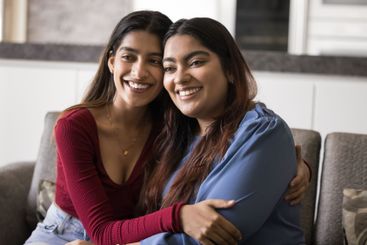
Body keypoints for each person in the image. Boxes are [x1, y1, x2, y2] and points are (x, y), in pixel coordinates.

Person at [26, 11, 309, 245]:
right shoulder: (175, 129)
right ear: (111, 61)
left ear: (231, 69)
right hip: (65, 233)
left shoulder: (177, 126)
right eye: (171, 67)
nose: (139, 72)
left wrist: (293, 165)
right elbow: (103, 230)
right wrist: (179, 215)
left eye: (156, 61)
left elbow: (215, 228)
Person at [137, 17, 306, 244]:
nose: (180, 77)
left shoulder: (264, 132)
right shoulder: (175, 136)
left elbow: (215, 233)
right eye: (169, 68)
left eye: (196, 62)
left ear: (230, 70)